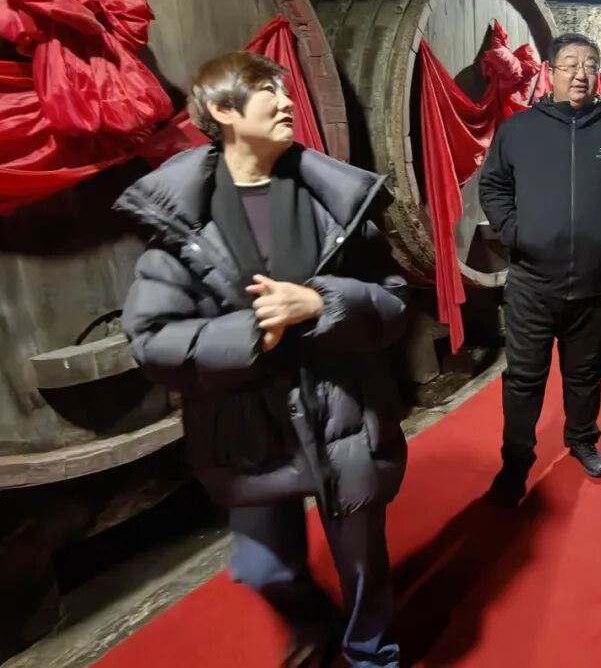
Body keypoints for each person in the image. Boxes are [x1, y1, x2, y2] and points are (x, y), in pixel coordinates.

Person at [116, 51, 408, 667]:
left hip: (343, 414)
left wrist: (323, 303)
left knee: (363, 566)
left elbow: (395, 303)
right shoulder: (184, 221)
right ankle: (312, 621)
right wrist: (248, 333)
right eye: (267, 92)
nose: (286, 101)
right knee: (262, 568)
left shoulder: (335, 203)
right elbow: (151, 339)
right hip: (244, 429)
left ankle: (371, 654)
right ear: (222, 111)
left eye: (284, 89)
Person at [478, 32, 601, 506]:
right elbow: (493, 187)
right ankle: (516, 459)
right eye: (570, 64)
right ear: (550, 73)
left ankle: (582, 438)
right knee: (524, 378)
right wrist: (515, 231)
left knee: (586, 371)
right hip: (532, 283)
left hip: (597, 282)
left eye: (590, 64)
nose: (580, 74)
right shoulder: (519, 130)